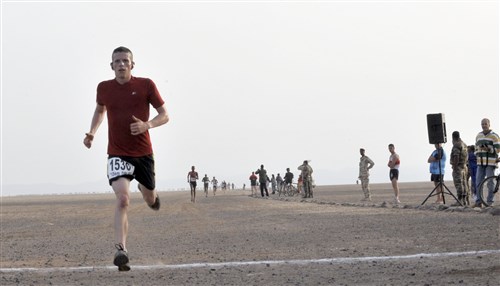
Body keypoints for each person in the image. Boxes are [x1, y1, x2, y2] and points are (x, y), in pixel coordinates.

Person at [83, 46, 169, 271]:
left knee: (151, 198)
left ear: (132, 64)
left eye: (125, 61)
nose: (121, 64)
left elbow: (165, 115)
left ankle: (147, 192)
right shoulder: (103, 88)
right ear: (111, 66)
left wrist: (147, 125)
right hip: (117, 152)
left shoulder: (146, 85)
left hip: (143, 153)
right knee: (122, 199)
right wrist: (92, 132)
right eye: (117, 61)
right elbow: (100, 110)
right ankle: (121, 249)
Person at [474, 118, 500, 207]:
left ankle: (490, 202)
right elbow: (476, 148)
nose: (484, 125)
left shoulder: (495, 136)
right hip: (480, 163)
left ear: (489, 124)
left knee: (490, 182)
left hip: (490, 163)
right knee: (478, 182)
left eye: (485, 124)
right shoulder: (478, 136)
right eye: (482, 124)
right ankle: (478, 202)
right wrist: (476, 153)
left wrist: (488, 149)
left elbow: (498, 149)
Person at [450, 131, 469, 206]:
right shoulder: (464, 144)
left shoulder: (457, 145)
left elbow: (456, 156)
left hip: (458, 167)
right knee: (464, 184)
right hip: (464, 167)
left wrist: (454, 167)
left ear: (453, 137)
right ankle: (465, 201)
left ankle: (460, 200)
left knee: (458, 184)